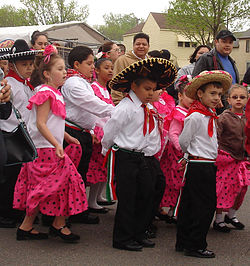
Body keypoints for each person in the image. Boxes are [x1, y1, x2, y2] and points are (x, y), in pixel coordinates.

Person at [13, 45, 88, 242]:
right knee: (55, 186)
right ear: (47, 74)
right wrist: (57, 144)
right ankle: (53, 225)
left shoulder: (53, 92)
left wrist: (66, 137)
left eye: (65, 69)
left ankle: (33, 226)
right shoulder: (46, 93)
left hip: (50, 147)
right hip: (45, 150)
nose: (65, 72)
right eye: (60, 69)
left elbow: (52, 123)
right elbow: (40, 123)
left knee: (53, 187)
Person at [102, 58, 177, 251]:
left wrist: (151, 153)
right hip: (127, 156)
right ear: (134, 86)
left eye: (153, 89)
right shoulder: (126, 108)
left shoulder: (148, 107)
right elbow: (110, 131)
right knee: (128, 199)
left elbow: (151, 133)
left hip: (144, 157)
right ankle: (122, 238)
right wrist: (107, 150)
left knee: (147, 195)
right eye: (147, 89)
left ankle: (138, 232)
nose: (151, 93)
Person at [176, 70, 232, 258]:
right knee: (203, 206)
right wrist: (190, 155)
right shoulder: (196, 116)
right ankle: (195, 245)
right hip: (200, 165)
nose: (217, 98)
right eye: (212, 93)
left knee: (191, 204)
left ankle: (184, 241)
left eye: (219, 94)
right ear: (200, 94)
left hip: (205, 164)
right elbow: (184, 140)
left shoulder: (208, 114)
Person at [61, 46, 114, 224]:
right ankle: (66, 214)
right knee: (73, 174)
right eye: (89, 63)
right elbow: (92, 104)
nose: (93, 67)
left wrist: (91, 130)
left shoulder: (82, 82)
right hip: (71, 132)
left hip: (81, 132)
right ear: (77, 64)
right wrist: (116, 111)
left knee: (80, 174)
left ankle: (78, 209)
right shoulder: (74, 83)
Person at [0, 39, 40, 228]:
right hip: (10, 134)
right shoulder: (9, 84)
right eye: (24, 64)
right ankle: (5, 212)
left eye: (31, 64)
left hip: (23, 134)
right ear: (13, 64)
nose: (29, 68)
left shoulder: (25, 85)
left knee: (18, 176)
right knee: (9, 177)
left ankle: (15, 210)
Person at [213, 84, 250, 233]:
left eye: (242, 97)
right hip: (226, 158)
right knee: (223, 189)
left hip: (242, 159)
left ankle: (231, 215)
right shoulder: (224, 117)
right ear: (228, 99)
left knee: (241, 188)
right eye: (235, 97)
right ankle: (219, 219)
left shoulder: (248, 117)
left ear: (247, 99)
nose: (238, 100)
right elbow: (216, 136)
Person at [160, 75, 193, 222]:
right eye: (188, 95)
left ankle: (176, 209)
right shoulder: (178, 112)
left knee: (183, 183)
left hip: (188, 153)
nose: (192, 99)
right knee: (175, 182)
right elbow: (173, 134)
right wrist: (181, 147)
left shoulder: (192, 112)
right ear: (180, 95)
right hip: (177, 154)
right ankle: (171, 209)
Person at [86, 58, 115, 212]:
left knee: (103, 166)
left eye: (112, 68)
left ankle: (98, 197)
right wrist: (93, 131)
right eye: (106, 67)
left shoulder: (106, 89)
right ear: (96, 70)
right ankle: (91, 200)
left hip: (106, 131)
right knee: (97, 167)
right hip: (98, 130)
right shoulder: (94, 88)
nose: (110, 71)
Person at [192, 30, 239, 113]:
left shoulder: (232, 61)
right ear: (216, 42)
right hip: (214, 109)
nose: (227, 45)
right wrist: (216, 97)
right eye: (224, 41)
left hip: (232, 107)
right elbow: (195, 83)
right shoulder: (206, 58)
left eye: (230, 42)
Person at [111, 33, 150, 105]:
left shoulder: (150, 61)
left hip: (146, 103)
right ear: (133, 45)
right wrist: (118, 103)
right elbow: (116, 83)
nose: (141, 46)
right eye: (138, 44)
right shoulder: (122, 60)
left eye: (144, 44)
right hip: (128, 103)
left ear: (148, 46)